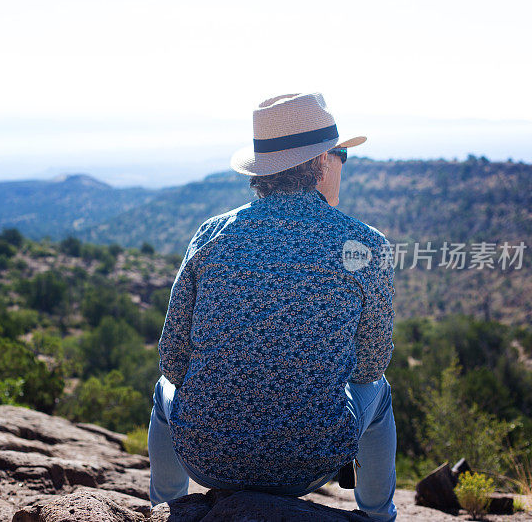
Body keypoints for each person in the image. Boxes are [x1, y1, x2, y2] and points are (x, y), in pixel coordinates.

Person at [147, 93, 397, 521]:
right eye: (342, 155)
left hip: (207, 460)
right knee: (382, 393)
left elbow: (172, 361)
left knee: (162, 392)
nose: (343, 165)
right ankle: (377, 517)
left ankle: (167, 508)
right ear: (321, 161)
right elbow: (370, 367)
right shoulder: (365, 245)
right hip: (308, 465)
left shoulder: (212, 235)